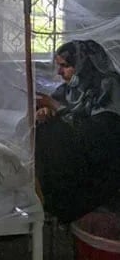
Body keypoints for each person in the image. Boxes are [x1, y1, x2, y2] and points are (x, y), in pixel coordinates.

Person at [35, 40, 120, 223]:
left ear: (83, 64)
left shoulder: (109, 86)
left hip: (102, 162)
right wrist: (46, 111)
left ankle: (61, 202)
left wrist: (55, 107)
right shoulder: (73, 87)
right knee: (42, 128)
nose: (59, 73)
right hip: (79, 151)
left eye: (65, 66)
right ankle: (47, 197)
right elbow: (59, 107)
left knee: (52, 133)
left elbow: (97, 135)